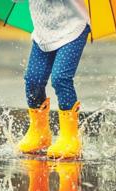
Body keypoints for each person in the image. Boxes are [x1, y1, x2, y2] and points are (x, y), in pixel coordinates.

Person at [17, 0, 90, 159]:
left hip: (73, 27)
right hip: (44, 32)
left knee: (60, 78)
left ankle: (70, 137)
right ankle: (39, 132)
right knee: (33, 80)